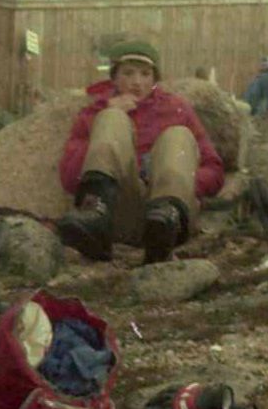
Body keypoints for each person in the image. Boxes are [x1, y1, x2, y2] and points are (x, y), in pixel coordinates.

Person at [57, 40, 224, 264]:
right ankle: (97, 214)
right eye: (128, 73)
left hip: (169, 213)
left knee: (178, 135)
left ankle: (164, 228)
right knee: (112, 119)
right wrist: (107, 119)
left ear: (154, 79)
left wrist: (180, 180)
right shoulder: (94, 112)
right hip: (121, 210)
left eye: (145, 74)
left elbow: (214, 169)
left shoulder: (176, 108)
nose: (137, 82)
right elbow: (69, 177)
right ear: (114, 78)